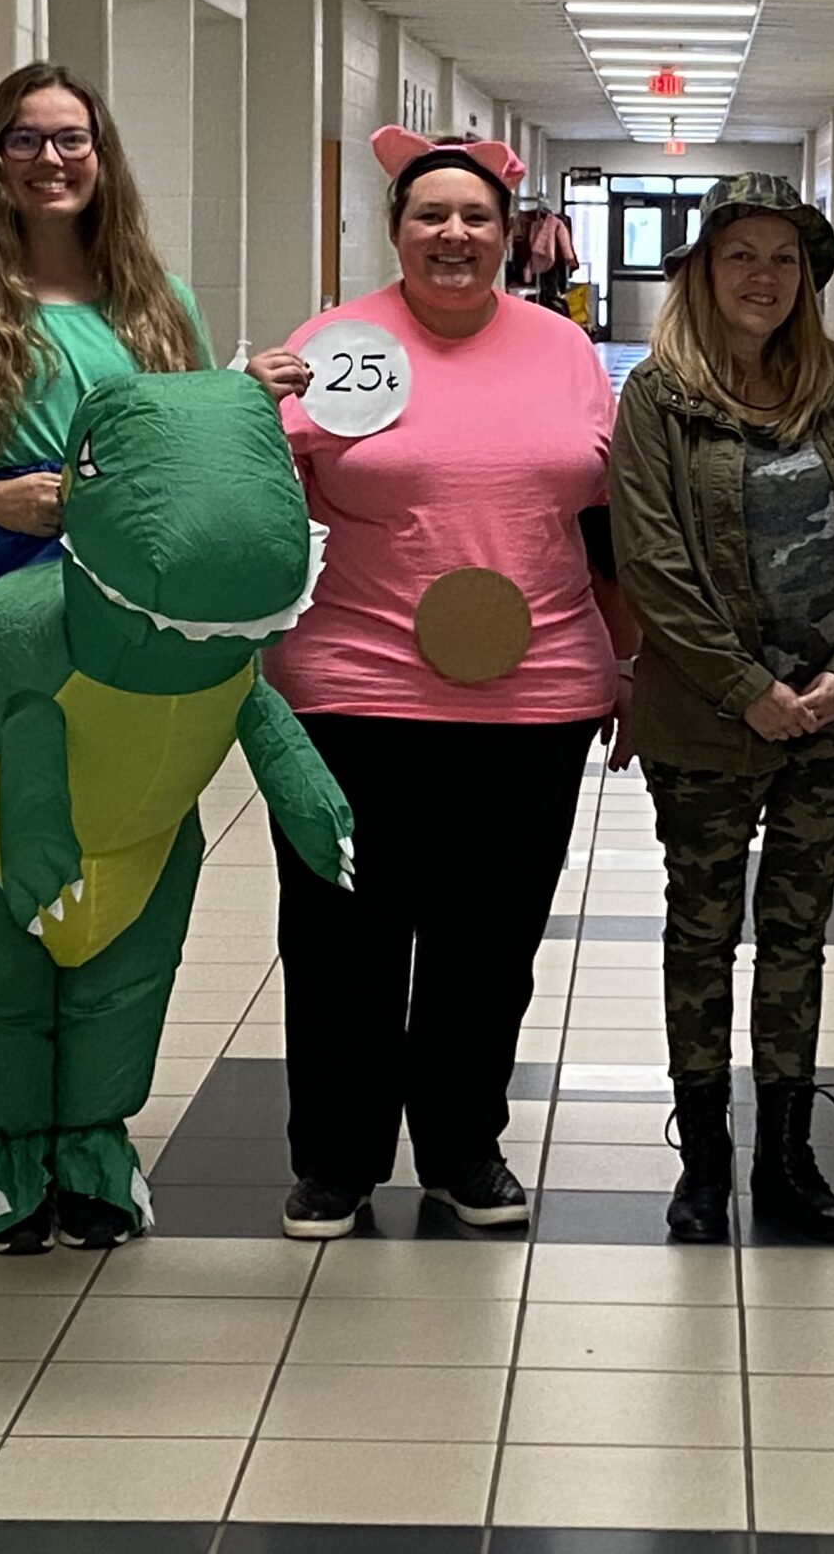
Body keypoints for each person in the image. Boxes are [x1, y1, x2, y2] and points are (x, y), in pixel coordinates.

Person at [0, 61, 213, 1254]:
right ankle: (6, 1151)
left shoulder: (155, 306)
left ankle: (94, 1141)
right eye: (24, 139)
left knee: (127, 876)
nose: (51, 161)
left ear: (103, 157)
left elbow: (195, 461)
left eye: (73, 140)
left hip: (116, 656)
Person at [256, 126, 631, 1241]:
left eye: (476, 217)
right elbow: (256, 497)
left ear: (512, 235)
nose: (453, 234)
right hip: (353, 689)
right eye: (431, 216)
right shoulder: (335, 344)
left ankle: (466, 1148)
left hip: (537, 695)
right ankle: (334, 1159)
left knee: (490, 938)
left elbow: (603, 515)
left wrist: (632, 664)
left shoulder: (560, 350)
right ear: (395, 232)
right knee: (341, 937)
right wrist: (239, 408)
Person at [610, 174, 834, 1245]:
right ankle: (704, 1162)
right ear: (701, 270)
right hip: (703, 720)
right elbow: (649, 558)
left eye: (784, 259)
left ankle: (788, 1159)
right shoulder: (656, 395)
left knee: (797, 934)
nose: (762, 278)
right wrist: (748, 688)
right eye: (739, 254)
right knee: (701, 932)